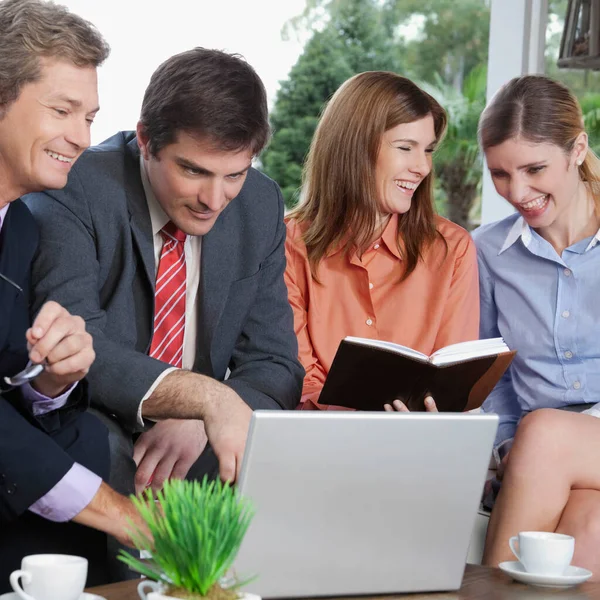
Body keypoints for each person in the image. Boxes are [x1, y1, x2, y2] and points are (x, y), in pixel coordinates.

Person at [24, 47, 303, 498]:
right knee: (101, 445)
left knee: (265, 452)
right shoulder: (74, 187)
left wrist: (203, 416)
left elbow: (276, 365)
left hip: (201, 433)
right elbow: (75, 345)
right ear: (147, 141)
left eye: (234, 174)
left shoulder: (260, 203)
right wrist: (204, 400)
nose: (214, 199)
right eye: (193, 170)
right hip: (98, 415)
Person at [0, 0, 145, 590]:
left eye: (89, 117)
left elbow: (11, 386)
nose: (81, 138)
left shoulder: (22, 228)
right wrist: (124, 515)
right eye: (62, 110)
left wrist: (50, 383)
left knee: (83, 434)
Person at [284, 71, 480, 411]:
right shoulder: (288, 243)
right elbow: (297, 376)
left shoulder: (452, 248)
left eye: (429, 150)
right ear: (354, 147)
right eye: (405, 148)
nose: (422, 167)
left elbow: (452, 378)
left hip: (421, 447)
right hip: (322, 441)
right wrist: (366, 419)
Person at [473, 75, 600, 577]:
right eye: (501, 174)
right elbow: (492, 374)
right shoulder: (487, 251)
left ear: (578, 149)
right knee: (587, 525)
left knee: (545, 430)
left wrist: (539, 440)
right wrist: (508, 447)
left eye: (535, 169)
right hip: (541, 462)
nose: (517, 192)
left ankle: (483, 592)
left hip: (552, 441)